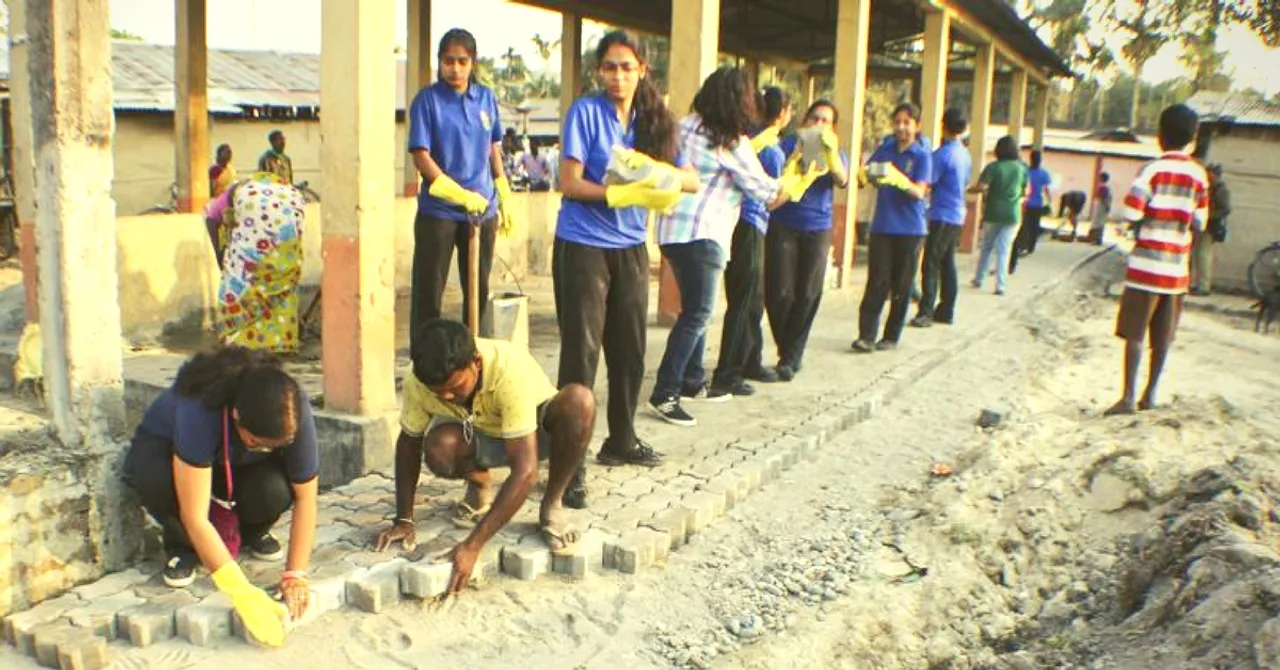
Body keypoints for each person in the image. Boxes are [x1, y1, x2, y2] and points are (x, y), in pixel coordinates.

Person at [555, 30, 693, 496]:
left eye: (626, 67)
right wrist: (619, 192)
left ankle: (621, 439)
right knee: (582, 353)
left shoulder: (653, 120)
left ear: (642, 71)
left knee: (630, 350)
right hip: (583, 244)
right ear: (599, 71)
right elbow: (569, 182)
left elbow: (688, 178)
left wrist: (659, 179)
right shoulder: (585, 113)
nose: (618, 76)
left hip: (632, 245)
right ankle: (569, 465)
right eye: (610, 67)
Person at [648, 69, 819, 426]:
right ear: (739, 101)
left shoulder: (684, 125)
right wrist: (804, 176)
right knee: (699, 313)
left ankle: (693, 380)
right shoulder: (731, 142)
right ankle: (666, 392)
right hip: (704, 234)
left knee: (694, 308)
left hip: (670, 232)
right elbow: (768, 193)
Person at [371, 320, 595, 591]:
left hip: (536, 435)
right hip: (483, 433)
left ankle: (552, 503)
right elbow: (408, 445)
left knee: (579, 402)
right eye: (438, 392)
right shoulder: (418, 382)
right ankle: (479, 486)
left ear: (475, 362)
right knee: (440, 446)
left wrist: (472, 546)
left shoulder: (507, 370)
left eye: (455, 387)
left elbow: (526, 471)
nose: (448, 396)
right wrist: (403, 520)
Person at [124, 347, 319, 647]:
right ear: (237, 416)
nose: (265, 449)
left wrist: (296, 574)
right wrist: (240, 590)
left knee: (274, 489)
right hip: (168, 455)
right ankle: (183, 547)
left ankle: (250, 533)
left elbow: (306, 497)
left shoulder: (292, 408)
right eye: (258, 442)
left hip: (230, 461)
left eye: (274, 445)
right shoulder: (199, 409)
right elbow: (195, 516)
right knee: (157, 480)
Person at [407, 29, 519, 344]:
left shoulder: (485, 98)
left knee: (477, 290)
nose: (455, 69)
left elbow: (492, 147)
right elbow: (421, 155)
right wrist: (456, 192)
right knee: (430, 291)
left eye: (462, 61)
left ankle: (472, 355)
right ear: (439, 63)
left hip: (482, 210)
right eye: (448, 61)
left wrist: (503, 189)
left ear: (473, 63)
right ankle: (425, 361)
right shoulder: (427, 101)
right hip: (440, 211)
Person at [1105, 104, 1209, 416]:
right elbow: (1200, 223)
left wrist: (1143, 221)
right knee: (1162, 338)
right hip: (1176, 269)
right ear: (1192, 138)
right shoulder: (1199, 176)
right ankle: (1150, 396)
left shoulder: (1150, 171)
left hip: (1145, 267)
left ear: (1160, 136)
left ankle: (1127, 397)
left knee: (1135, 333)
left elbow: (1131, 213)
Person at [710, 86, 793, 391]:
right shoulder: (770, 148)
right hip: (749, 224)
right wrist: (799, 180)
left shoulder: (747, 138)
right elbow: (770, 198)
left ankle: (750, 360)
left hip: (739, 223)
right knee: (744, 301)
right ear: (782, 113)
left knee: (751, 299)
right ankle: (727, 374)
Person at [764, 100, 850, 380]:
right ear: (805, 120)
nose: (819, 125)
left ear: (833, 127)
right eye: (815, 118)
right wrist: (798, 159)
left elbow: (843, 179)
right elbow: (773, 179)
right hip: (783, 224)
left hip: (818, 226)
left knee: (809, 292)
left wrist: (830, 155)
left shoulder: (836, 151)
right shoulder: (789, 144)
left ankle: (791, 356)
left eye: (826, 121)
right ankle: (788, 348)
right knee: (779, 292)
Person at [851, 102, 933, 353]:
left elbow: (920, 191)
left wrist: (899, 180)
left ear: (916, 126)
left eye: (907, 122)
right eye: (897, 122)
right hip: (883, 226)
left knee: (902, 285)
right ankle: (866, 336)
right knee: (877, 282)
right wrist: (865, 175)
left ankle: (890, 336)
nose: (901, 127)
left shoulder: (921, 155)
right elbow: (868, 172)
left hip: (910, 230)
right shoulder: (886, 149)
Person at [216, 172, 306, 354]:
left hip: (249, 255)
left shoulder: (235, 192)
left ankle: (241, 341)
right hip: (284, 251)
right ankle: (281, 341)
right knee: (282, 296)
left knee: (240, 288)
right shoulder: (290, 193)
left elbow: (211, 218)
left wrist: (220, 256)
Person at [911, 107, 972, 328]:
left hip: (942, 214)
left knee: (931, 263)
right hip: (957, 214)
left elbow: (928, 181)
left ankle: (926, 311)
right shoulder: (964, 154)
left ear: (943, 126)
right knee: (948, 263)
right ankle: (946, 308)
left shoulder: (943, 154)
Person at [968, 136, 1028, 296]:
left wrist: (968, 189)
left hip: (993, 213)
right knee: (1004, 250)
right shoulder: (1022, 169)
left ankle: (978, 278)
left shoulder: (993, 168)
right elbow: (1025, 191)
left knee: (987, 246)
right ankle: (1000, 285)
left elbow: (981, 187)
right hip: (1013, 214)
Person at [1191, 163, 1230, 296]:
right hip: (1204, 225)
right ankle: (1197, 284)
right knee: (1198, 255)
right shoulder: (1210, 186)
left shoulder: (1220, 188)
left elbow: (1225, 209)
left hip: (1210, 226)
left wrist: (1208, 216)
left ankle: (1203, 286)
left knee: (1203, 256)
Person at [1016, 149, 1052, 257]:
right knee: (1034, 226)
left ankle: (1024, 245)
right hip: (1037, 204)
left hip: (1026, 203)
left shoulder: (1025, 172)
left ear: (1031, 159)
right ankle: (1030, 247)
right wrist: (1049, 201)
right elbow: (1046, 189)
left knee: (1025, 225)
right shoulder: (1044, 173)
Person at [1089, 172, 1113, 245]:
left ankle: (1097, 240)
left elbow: (1103, 198)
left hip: (1101, 207)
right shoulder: (1107, 187)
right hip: (1103, 206)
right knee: (1100, 223)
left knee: (1098, 223)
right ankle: (1098, 239)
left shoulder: (1103, 187)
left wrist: (1106, 206)